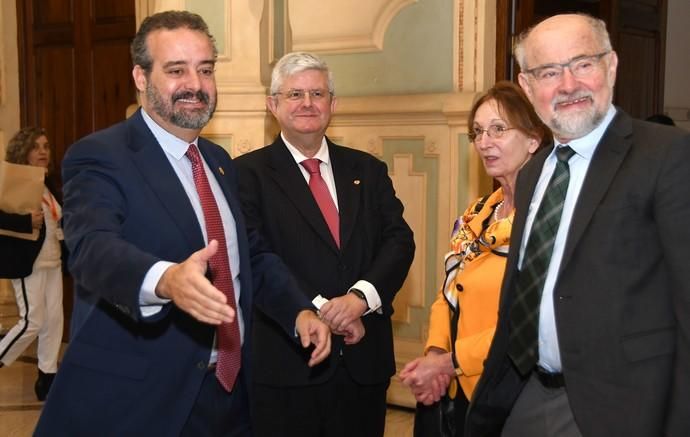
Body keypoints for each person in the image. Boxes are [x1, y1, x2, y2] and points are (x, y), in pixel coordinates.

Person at [34, 11, 331, 436]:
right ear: (141, 77)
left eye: (205, 69)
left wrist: (299, 310)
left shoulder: (219, 162)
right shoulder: (100, 156)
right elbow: (93, 249)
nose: (195, 84)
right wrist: (166, 279)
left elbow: (250, 255)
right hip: (141, 405)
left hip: (229, 397)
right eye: (176, 70)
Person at [466, 13, 690, 437]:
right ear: (529, 87)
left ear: (611, 66)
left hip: (624, 410)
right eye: (549, 72)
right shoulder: (533, 174)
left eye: (583, 64)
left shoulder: (668, 156)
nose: (568, 85)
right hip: (527, 394)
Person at [234, 51, 415, 437]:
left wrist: (359, 300)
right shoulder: (246, 174)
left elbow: (398, 241)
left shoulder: (367, 169)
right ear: (273, 105)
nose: (307, 104)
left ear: (333, 104)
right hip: (288, 364)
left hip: (364, 366)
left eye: (317, 94)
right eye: (295, 94)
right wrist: (324, 310)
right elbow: (256, 254)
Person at [399, 81, 550, 435]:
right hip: (459, 388)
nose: (484, 142)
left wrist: (452, 362)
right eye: (478, 131)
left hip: (513, 389)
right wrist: (436, 352)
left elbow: (533, 321)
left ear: (533, 138)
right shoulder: (480, 211)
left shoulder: (545, 220)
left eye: (499, 129)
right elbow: (449, 289)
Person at [0, 127, 64, 401]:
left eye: (46, 146)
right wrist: (25, 222)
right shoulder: (12, 182)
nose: (43, 152)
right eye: (36, 146)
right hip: (28, 263)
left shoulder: (47, 184)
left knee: (53, 322)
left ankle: (47, 380)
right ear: (23, 151)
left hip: (53, 261)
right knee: (32, 322)